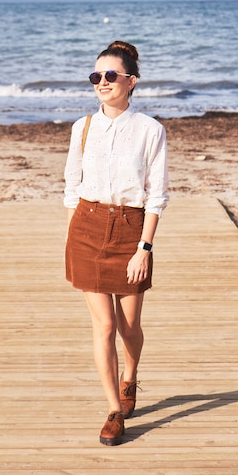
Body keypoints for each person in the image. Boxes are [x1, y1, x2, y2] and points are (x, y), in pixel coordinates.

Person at [64, 40, 169, 446]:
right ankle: (113, 409)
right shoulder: (82, 127)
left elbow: (156, 195)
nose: (102, 83)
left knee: (128, 326)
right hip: (86, 227)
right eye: (96, 76)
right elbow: (72, 184)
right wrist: (77, 226)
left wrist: (144, 247)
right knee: (104, 325)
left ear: (131, 81)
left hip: (130, 229)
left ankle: (131, 375)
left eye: (110, 76)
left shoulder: (150, 130)